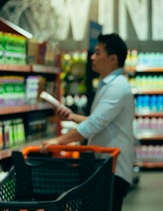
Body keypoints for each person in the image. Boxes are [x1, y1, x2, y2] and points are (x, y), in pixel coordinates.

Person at [41, 33, 135, 211]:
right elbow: (100, 121)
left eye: (98, 53)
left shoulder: (117, 87)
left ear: (113, 59)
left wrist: (57, 142)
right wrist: (72, 117)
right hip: (105, 167)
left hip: (113, 168)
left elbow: (94, 125)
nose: (92, 57)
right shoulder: (109, 84)